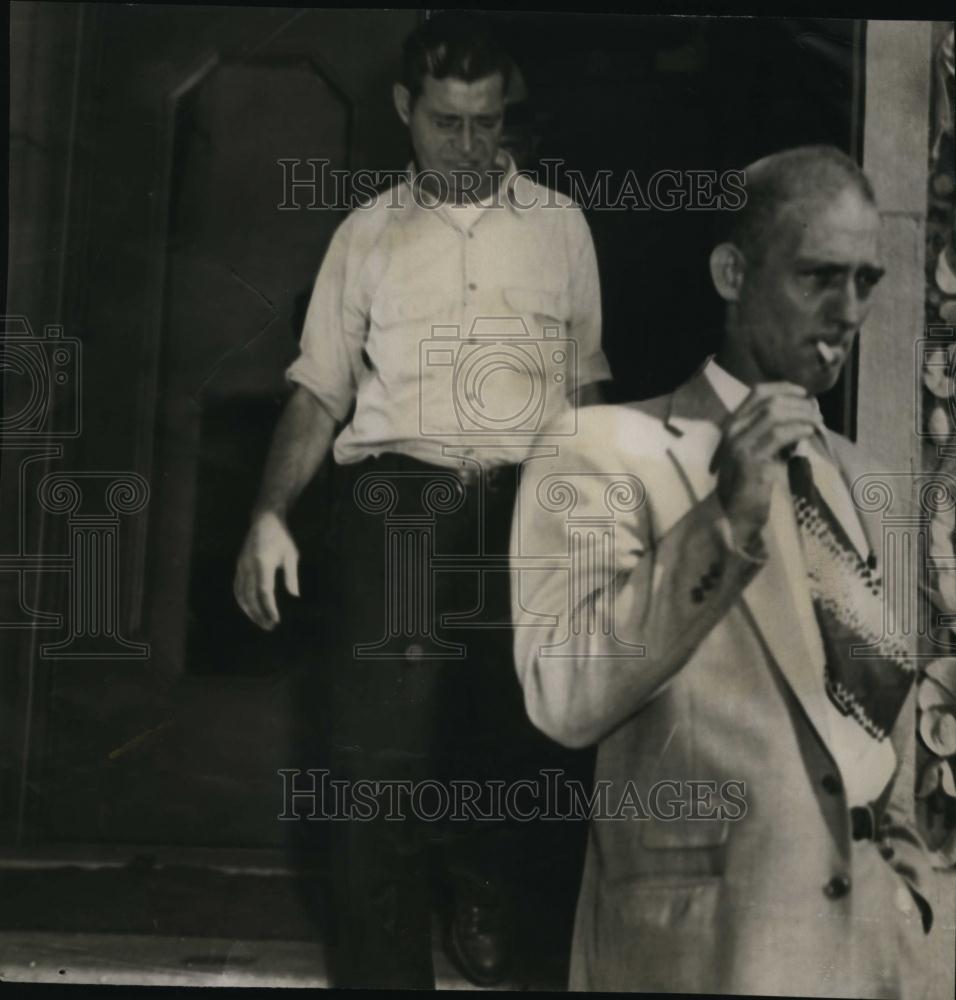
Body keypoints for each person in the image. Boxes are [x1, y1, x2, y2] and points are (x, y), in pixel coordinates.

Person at [233, 11, 610, 989]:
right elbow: (317, 392)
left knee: (530, 746)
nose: (472, 145)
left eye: (490, 122)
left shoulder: (561, 226)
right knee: (375, 780)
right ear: (405, 110)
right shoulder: (363, 235)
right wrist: (268, 515)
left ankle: (483, 883)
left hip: (529, 504)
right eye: (448, 122)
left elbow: (585, 396)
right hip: (396, 505)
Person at [511, 145, 937, 998]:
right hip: (705, 956)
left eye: (866, 281)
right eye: (819, 275)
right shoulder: (597, 448)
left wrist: (913, 893)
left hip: (881, 958)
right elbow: (562, 699)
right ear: (732, 272)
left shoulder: (867, 478)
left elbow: (878, 726)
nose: (847, 309)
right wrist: (723, 520)